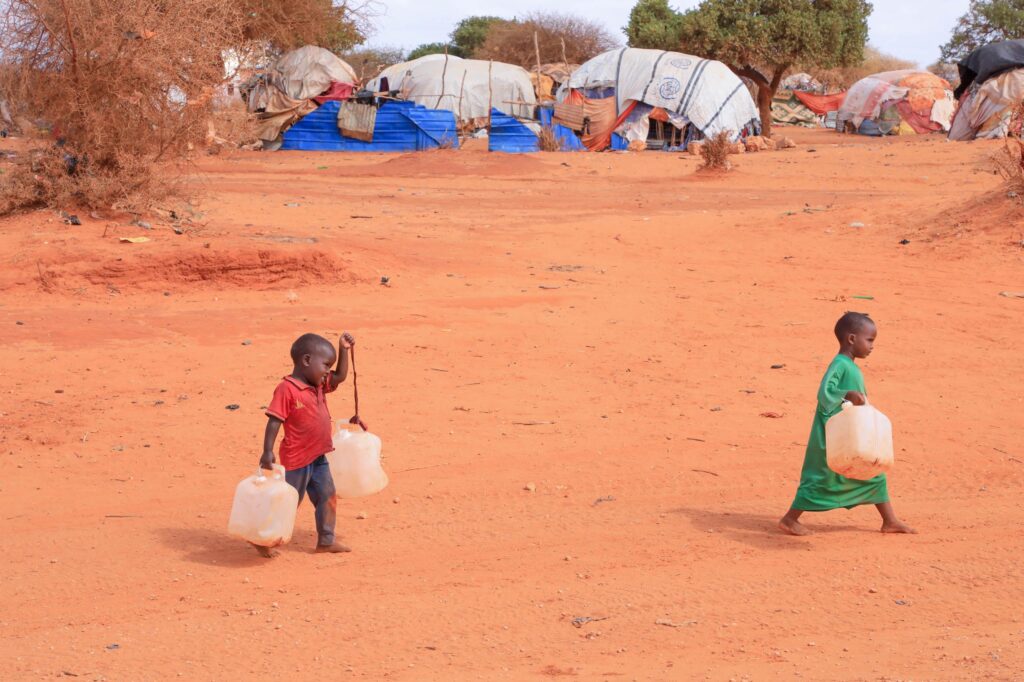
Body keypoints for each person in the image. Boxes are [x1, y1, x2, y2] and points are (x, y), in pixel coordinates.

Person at [779, 312, 916, 536]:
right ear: (852, 339)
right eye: (869, 340)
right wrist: (848, 394)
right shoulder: (840, 364)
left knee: (873, 471)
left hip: (850, 431)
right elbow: (825, 393)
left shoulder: (850, 365)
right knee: (821, 476)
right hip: (831, 434)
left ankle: (889, 520)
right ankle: (789, 519)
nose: (872, 346)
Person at [256, 332, 355, 557]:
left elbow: (340, 376)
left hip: (319, 456)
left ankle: (326, 540)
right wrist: (267, 451)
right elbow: (274, 420)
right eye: (326, 365)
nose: (328, 372)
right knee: (289, 502)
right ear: (307, 360)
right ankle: (263, 538)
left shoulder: (318, 384)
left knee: (327, 495)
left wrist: (343, 350)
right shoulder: (287, 389)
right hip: (297, 460)